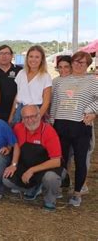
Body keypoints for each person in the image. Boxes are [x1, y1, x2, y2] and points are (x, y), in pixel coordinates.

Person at [50, 51, 97, 207]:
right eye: (75, 61)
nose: (78, 65)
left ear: (87, 65)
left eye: (82, 62)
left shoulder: (92, 81)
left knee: (80, 160)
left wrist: (92, 110)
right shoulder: (62, 81)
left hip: (80, 125)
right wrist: (51, 120)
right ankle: (61, 186)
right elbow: (55, 101)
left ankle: (77, 192)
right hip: (61, 124)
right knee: (61, 158)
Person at [3, 105, 63, 212]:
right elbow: (15, 146)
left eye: (33, 116)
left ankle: (49, 201)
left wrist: (32, 170)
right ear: (22, 119)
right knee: (6, 179)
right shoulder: (18, 128)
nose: (30, 120)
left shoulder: (49, 131)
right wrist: (13, 165)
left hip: (46, 168)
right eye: (26, 117)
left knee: (51, 178)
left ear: (39, 116)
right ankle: (32, 189)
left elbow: (56, 161)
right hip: (26, 166)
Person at [9, 45, 51, 125]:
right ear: (27, 58)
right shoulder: (21, 73)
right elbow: (17, 97)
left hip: (35, 113)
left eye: (37, 57)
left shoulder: (45, 76)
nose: (33, 59)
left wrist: (36, 119)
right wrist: (11, 116)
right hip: (19, 112)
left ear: (42, 59)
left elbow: (46, 102)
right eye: (31, 56)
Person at [0, 45, 22, 122]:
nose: (4, 56)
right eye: (1, 53)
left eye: (7, 53)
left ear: (12, 55)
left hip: (15, 110)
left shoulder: (20, 71)